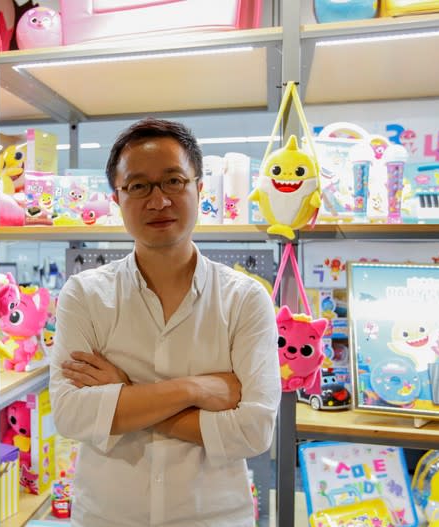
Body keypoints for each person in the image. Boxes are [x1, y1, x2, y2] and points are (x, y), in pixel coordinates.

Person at [49, 117, 281, 526]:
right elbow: (70, 414)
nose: (158, 201)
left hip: (212, 517)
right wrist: (195, 389)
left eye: (173, 181)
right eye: (138, 186)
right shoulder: (84, 295)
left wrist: (123, 396)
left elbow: (255, 431)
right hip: (107, 516)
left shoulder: (245, 299)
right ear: (117, 198)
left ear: (200, 188)